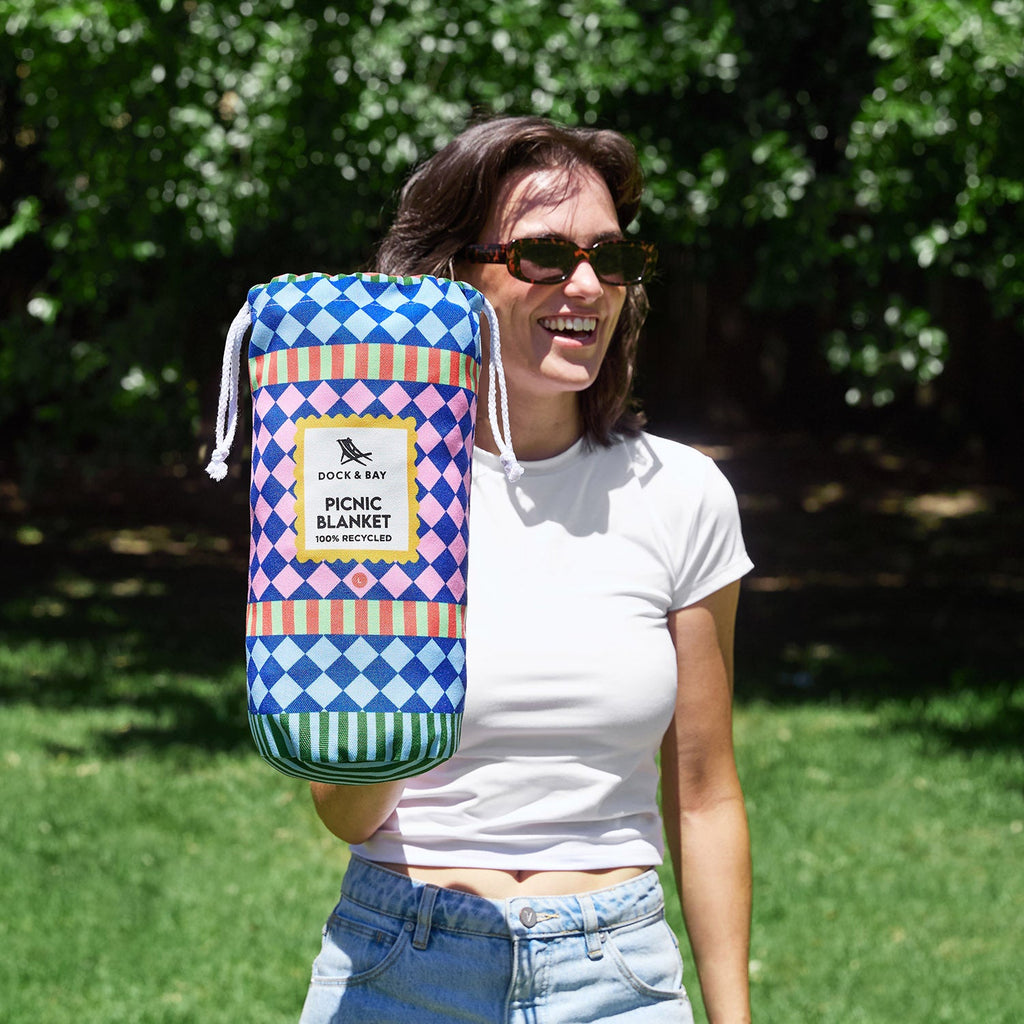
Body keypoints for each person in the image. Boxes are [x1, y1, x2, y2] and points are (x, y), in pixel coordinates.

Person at [298, 115, 754, 1024]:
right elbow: (345, 812)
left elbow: (704, 796)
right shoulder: (368, 473)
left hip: (617, 971)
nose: (587, 283)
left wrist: (733, 1017)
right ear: (454, 275)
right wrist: (412, 623)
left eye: (611, 256)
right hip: (402, 958)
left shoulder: (683, 493)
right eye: (544, 253)